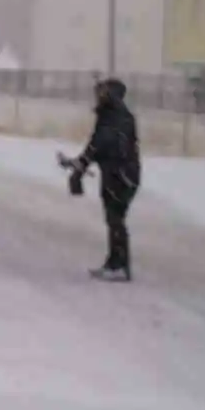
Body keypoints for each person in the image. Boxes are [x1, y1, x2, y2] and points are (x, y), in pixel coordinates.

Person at [62, 77, 142, 282]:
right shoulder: (116, 116)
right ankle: (115, 263)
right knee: (114, 220)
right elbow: (96, 146)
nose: (97, 96)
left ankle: (119, 265)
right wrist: (80, 163)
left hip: (121, 175)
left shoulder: (115, 117)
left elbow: (99, 145)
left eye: (102, 92)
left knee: (115, 219)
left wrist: (81, 165)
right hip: (121, 174)